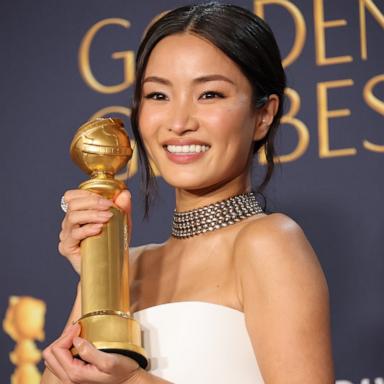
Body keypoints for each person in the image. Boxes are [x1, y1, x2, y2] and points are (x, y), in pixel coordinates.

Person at [42, 2, 334, 383]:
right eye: (158, 96)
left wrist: (132, 381)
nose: (178, 123)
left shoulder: (268, 243)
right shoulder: (132, 265)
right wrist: (98, 274)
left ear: (263, 115)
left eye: (210, 94)